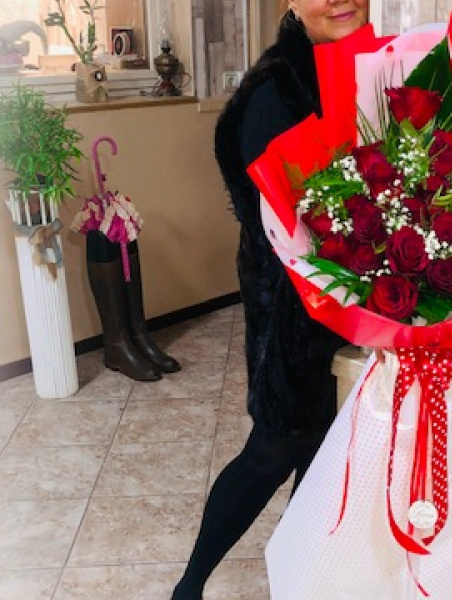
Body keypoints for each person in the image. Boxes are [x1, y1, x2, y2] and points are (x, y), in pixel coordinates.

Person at [171, 1, 369, 598]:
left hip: (360, 306)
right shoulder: (274, 92)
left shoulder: (379, 68)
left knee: (327, 456)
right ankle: (189, 587)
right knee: (274, 448)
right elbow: (287, 225)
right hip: (295, 311)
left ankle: (300, 578)